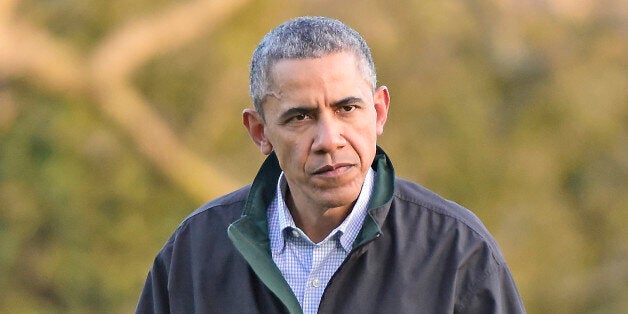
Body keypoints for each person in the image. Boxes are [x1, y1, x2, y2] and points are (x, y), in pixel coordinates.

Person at [136, 16, 525, 313]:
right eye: (299, 117)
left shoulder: (457, 251)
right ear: (260, 132)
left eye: (347, 108)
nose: (329, 140)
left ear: (378, 111)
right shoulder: (194, 252)